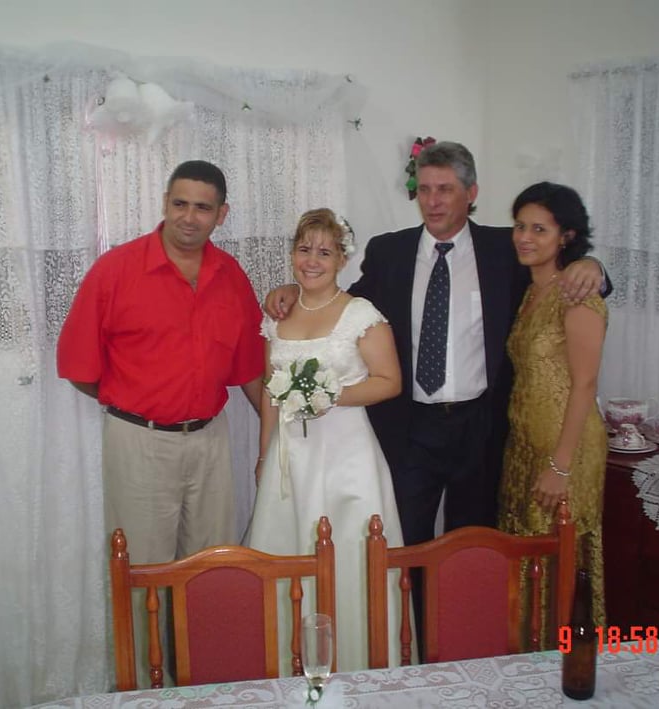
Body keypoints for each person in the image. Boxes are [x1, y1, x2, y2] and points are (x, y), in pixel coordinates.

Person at [266, 142, 608, 546]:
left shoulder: (505, 249)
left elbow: (556, 273)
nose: (432, 201)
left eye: (445, 189)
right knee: (405, 541)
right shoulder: (389, 251)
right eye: (425, 189)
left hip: (480, 427)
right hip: (410, 426)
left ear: (471, 193)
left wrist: (593, 266)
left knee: (472, 543)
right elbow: (345, 303)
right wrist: (296, 289)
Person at [57, 159, 264, 566]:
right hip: (139, 443)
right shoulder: (115, 270)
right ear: (165, 202)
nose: (188, 217)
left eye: (202, 208)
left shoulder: (231, 276)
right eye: (180, 204)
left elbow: (250, 369)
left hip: (210, 442)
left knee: (211, 567)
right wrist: (136, 399)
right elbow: (78, 365)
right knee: (142, 569)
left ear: (221, 214)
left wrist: (277, 439)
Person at [245, 208, 409, 671]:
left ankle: (360, 664)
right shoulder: (278, 315)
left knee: (350, 556)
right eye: (304, 249)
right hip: (290, 459)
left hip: (346, 458)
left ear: (342, 259)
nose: (312, 260)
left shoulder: (361, 314)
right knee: (288, 551)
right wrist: (264, 454)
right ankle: (289, 667)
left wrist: (332, 396)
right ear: (292, 254)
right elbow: (270, 392)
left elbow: (390, 381)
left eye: (324, 251)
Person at [498, 182, 608, 645]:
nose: (525, 237)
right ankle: (525, 662)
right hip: (525, 445)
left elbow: (585, 384)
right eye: (520, 226)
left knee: (561, 563)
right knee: (526, 558)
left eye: (539, 229)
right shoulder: (531, 291)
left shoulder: (577, 295)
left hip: (566, 450)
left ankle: (566, 665)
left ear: (566, 236)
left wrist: (560, 466)